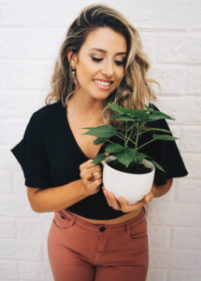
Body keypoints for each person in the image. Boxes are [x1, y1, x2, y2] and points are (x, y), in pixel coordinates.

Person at [10, 4, 188, 281]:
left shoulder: (141, 117)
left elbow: (164, 182)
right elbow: (37, 200)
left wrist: (144, 195)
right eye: (97, 57)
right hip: (69, 239)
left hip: (127, 243)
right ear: (73, 57)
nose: (109, 71)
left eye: (119, 61)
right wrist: (83, 187)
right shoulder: (44, 123)